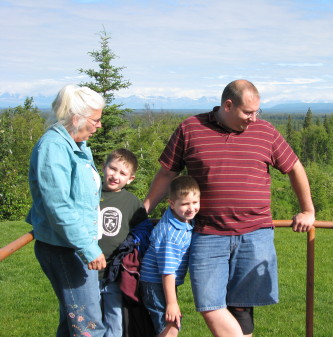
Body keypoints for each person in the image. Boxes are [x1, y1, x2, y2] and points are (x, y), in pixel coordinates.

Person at [143, 79, 315, 337]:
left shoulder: (266, 132)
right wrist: (142, 211)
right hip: (208, 233)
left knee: (242, 308)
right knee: (209, 304)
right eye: (248, 112)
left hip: (256, 233)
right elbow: (168, 173)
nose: (254, 118)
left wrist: (308, 210)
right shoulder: (190, 128)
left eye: (257, 111)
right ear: (228, 105)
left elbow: (294, 167)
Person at [27, 84, 107, 337]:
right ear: (76, 119)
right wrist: (88, 247)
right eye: (95, 120)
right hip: (66, 250)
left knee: (72, 322)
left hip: (73, 246)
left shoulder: (78, 145)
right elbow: (59, 205)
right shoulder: (53, 148)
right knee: (89, 326)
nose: (99, 126)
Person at [140, 175, 200, 336]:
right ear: (172, 204)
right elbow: (167, 271)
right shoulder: (172, 234)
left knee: (167, 324)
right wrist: (172, 303)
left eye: (195, 202)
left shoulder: (178, 218)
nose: (191, 208)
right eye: (185, 204)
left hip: (159, 282)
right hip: (156, 282)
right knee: (170, 326)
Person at [98, 148, 148, 337]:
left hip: (115, 273)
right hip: (87, 272)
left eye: (122, 173)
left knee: (114, 320)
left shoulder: (132, 203)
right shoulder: (89, 195)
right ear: (103, 167)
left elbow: (143, 232)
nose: (115, 176)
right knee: (89, 320)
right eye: (113, 169)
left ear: (130, 179)